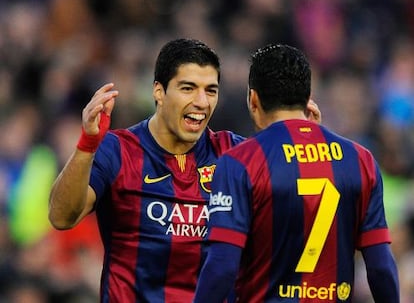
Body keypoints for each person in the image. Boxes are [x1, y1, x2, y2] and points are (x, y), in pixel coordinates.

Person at [48, 38, 321, 302]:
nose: (202, 101)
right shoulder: (118, 150)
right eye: (188, 88)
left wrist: (303, 142)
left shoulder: (236, 154)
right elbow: (61, 217)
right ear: (159, 91)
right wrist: (87, 144)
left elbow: (299, 223)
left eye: (210, 90)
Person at [193, 44, 400, 303]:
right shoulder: (360, 160)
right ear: (308, 96)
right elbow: (380, 267)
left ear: (254, 99)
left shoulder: (239, 163)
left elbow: (222, 266)